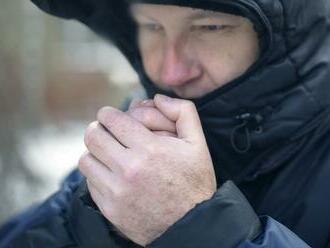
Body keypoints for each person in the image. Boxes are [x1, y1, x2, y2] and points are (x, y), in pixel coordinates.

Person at [1, 0, 330, 247]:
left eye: (209, 27)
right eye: (151, 26)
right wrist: (101, 217)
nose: (169, 72)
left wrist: (198, 226)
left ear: (287, 33)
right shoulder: (145, 133)